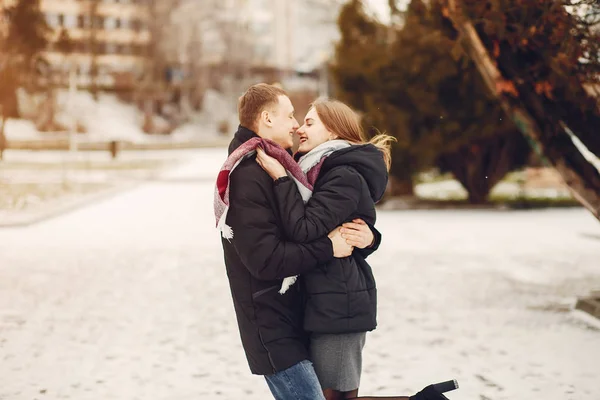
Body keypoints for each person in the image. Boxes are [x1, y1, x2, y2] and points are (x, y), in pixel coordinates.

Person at [255, 99, 457, 400]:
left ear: (334, 131)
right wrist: (370, 238)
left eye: (310, 123)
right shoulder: (314, 169)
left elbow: (305, 228)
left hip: (338, 305)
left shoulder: (343, 174)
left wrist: (282, 180)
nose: (300, 128)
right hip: (320, 301)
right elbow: (342, 227)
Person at [215, 84, 381, 400]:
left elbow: (340, 220)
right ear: (266, 118)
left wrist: (368, 237)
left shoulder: (294, 168)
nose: (295, 125)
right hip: (274, 320)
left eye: (305, 120)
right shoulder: (254, 172)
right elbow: (268, 258)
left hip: (313, 311)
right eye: (292, 116)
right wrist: (330, 246)